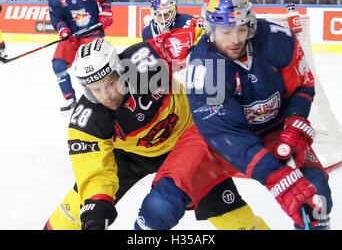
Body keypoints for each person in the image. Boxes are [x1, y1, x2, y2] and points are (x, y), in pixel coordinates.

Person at [43, 29, 269, 230]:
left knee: (232, 217)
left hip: (186, 142)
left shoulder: (148, 61)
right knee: (77, 210)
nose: (107, 95)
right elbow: (94, 174)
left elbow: (200, 36)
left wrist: (222, 77)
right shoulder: (88, 119)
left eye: (111, 83)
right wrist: (96, 210)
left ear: (120, 70)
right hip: (130, 157)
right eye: (96, 89)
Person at [186, 0, 332, 230]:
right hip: (231, 142)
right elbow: (226, 133)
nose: (235, 39)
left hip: (277, 128)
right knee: (178, 191)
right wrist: (277, 176)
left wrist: (294, 121)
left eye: (242, 28)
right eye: (226, 31)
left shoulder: (276, 38)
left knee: (318, 196)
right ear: (210, 30)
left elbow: (303, 85)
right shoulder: (204, 67)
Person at [48, 0, 113, 111]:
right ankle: (70, 99)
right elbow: (56, 18)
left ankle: (104, 96)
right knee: (58, 65)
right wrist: (63, 30)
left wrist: (106, 13)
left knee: (94, 67)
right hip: (73, 37)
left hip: (92, 33)